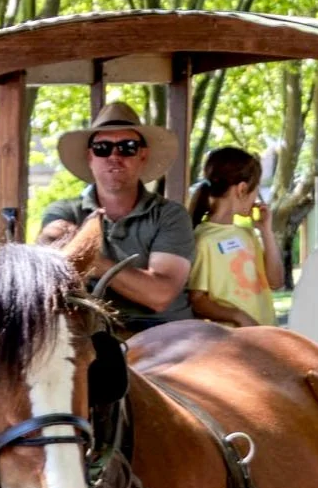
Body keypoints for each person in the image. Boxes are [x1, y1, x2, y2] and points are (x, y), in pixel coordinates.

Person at [38, 102, 195, 334]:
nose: (114, 156)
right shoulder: (62, 212)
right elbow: (46, 278)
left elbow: (160, 295)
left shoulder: (170, 215)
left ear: (143, 155)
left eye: (127, 147)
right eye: (102, 148)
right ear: (90, 156)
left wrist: (88, 255)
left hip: (165, 332)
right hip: (91, 332)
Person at [185, 147, 283, 328]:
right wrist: (238, 316)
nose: (257, 198)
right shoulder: (203, 240)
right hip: (232, 344)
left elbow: (276, 282)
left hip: (265, 336)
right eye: (256, 190)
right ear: (242, 189)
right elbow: (198, 300)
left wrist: (266, 232)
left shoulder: (248, 233)